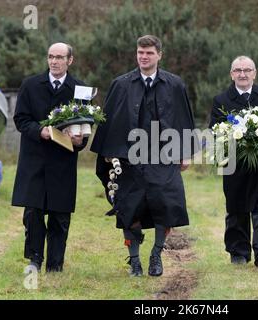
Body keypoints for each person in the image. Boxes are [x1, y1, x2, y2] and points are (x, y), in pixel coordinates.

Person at [91, 35, 195, 277]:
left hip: (163, 156)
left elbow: (184, 119)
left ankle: (156, 254)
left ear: (159, 55)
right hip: (129, 159)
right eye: (140, 52)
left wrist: (186, 153)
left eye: (149, 53)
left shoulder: (175, 84)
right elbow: (111, 120)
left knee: (166, 207)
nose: (143, 57)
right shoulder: (121, 84)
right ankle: (135, 259)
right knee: (129, 209)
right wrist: (108, 153)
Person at [12, 42, 87, 272]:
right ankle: (35, 259)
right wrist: (41, 131)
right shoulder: (30, 85)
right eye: (50, 57)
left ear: (70, 61)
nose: (54, 61)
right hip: (34, 159)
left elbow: (84, 128)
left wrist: (79, 140)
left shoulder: (80, 89)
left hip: (63, 162)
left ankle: (55, 265)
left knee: (59, 215)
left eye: (59, 57)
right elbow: (21, 120)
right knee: (33, 213)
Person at [209, 56, 258, 270]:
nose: (242, 74)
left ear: (255, 73)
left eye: (247, 70)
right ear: (231, 74)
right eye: (238, 70)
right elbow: (215, 133)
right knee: (237, 209)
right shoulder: (221, 101)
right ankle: (238, 251)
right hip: (236, 166)